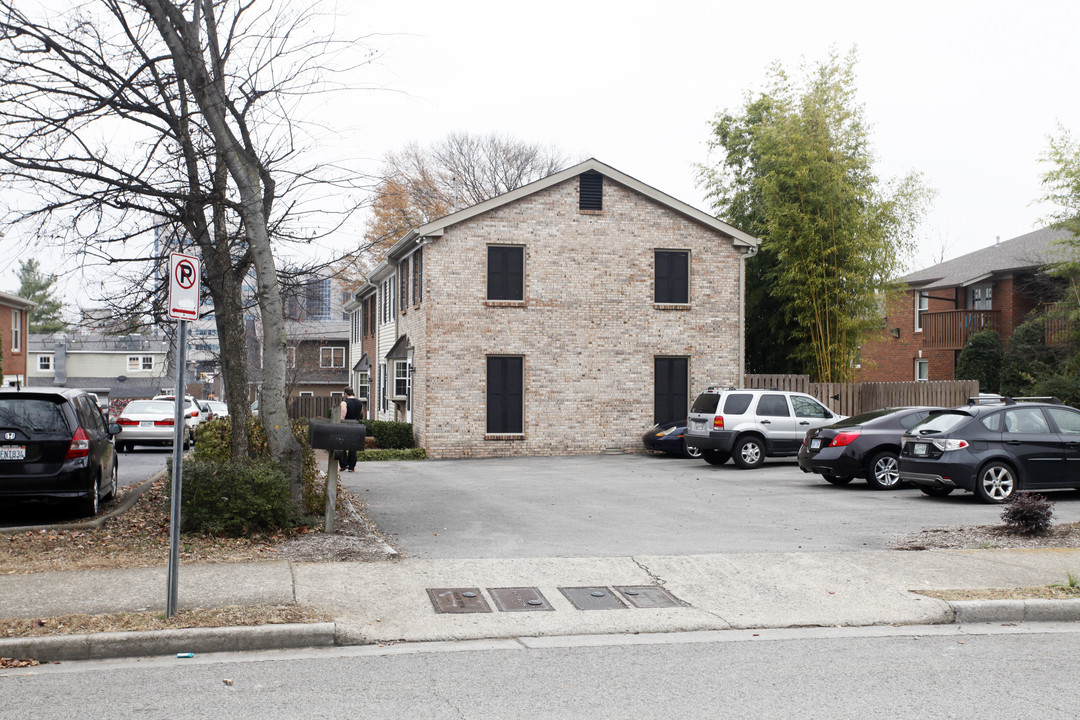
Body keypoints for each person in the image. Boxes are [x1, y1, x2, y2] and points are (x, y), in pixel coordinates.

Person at [338, 387, 364, 472]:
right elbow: (361, 414)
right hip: (356, 426)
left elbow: (342, 416)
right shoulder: (360, 403)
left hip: (346, 426)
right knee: (353, 447)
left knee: (342, 445)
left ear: (345, 394)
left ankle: (343, 464)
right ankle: (352, 467)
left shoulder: (344, 403)